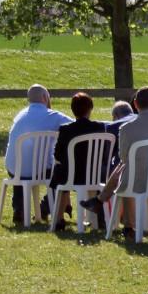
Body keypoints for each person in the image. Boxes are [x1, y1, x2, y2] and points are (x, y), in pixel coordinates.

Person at [79, 87, 148, 235]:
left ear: (135, 104)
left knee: (125, 170)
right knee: (126, 170)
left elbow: (123, 157)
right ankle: (102, 202)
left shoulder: (127, 128)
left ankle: (127, 225)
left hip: (135, 182)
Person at [3, 84, 72, 224]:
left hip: (13, 167)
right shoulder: (54, 116)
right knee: (62, 173)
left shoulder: (20, 115)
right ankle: (45, 207)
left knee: (23, 165)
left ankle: (19, 208)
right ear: (45, 97)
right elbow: (76, 126)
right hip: (40, 170)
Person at [49, 92, 108, 229]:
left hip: (72, 176)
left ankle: (58, 218)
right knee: (64, 172)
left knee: (60, 174)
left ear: (73, 110)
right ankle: (95, 219)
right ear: (90, 108)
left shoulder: (66, 130)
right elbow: (104, 153)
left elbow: (57, 155)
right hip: (94, 175)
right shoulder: (100, 127)